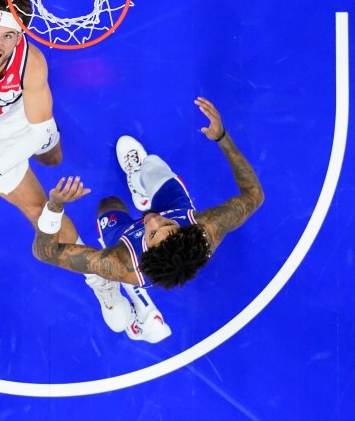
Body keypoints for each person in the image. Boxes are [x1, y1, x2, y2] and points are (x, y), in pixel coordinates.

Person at [0, 0, 132, 328]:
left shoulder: (32, 62)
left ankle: (43, 158)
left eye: (8, 36)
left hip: (23, 119)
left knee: (52, 155)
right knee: (39, 210)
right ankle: (102, 282)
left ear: (20, 35)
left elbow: (38, 130)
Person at [31, 97, 264, 342]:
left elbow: (44, 252)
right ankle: (140, 181)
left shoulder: (121, 263)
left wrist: (54, 207)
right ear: (186, 229)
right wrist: (222, 136)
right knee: (152, 165)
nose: (152, 220)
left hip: (128, 261)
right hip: (175, 210)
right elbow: (254, 194)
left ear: (147, 250)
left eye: (152, 233)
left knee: (108, 206)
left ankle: (108, 293)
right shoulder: (206, 228)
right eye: (167, 225)